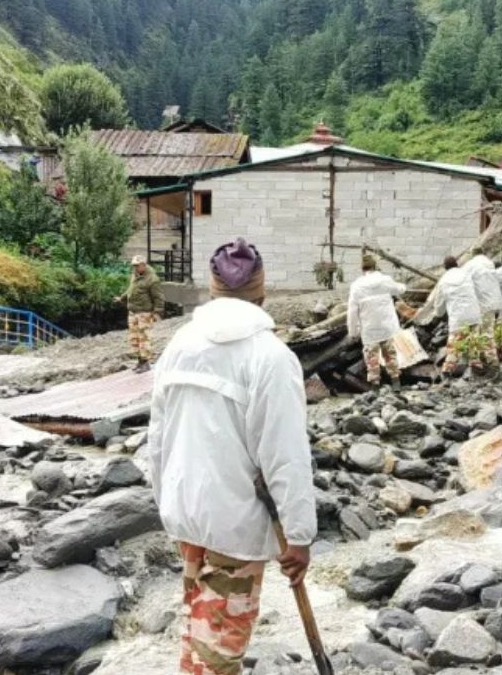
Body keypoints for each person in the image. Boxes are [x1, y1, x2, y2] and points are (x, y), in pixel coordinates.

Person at [148, 238, 316, 675]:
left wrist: (165, 500)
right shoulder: (271, 357)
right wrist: (299, 536)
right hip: (234, 521)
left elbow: (158, 435)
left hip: (186, 511)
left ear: (213, 289)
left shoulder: (180, 344)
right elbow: (286, 455)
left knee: (198, 631)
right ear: (261, 292)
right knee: (219, 648)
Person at [347, 253, 406, 389]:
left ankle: (375, 385)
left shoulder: (356, 286)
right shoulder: (385, 280)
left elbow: (352, 311)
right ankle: (396, 382)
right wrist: (404, 287)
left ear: (362, 268)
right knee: (390, 354)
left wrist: (352, 332)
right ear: (375, 266)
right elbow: (400, 289)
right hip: (387, 326)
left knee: (372, 357)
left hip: (369, 328)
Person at [431, 255, 484, 378]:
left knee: (454, 345)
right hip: (473, 314)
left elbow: (439, 307)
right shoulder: (466, 274)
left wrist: (438, 314)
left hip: (457, 318)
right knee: (474, 342)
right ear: (457, 264)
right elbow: (477, 290)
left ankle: (447, 371)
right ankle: (475, 369)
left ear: (445, 267)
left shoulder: (443, 281)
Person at [118, 255, 163, 370]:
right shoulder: (135, 276)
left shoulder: (152, 279)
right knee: (134, 338)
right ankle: (139, 361)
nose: (135, 268)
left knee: (144, 338)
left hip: (144, 313)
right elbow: (130, 289)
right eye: (134, 266)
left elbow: (158, 297)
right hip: (133, 311)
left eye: (137, 266)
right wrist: (122, 298)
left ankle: (146, 362)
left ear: (143, 264)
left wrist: (157, 312)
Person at [462, 253, 502, 375]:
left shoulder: (470, 265)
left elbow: (464, 283)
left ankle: (477, 365)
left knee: (474, 334)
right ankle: (492, 364)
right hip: (492, 304)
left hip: (479, 305)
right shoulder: (490, 264)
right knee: (488, 333)